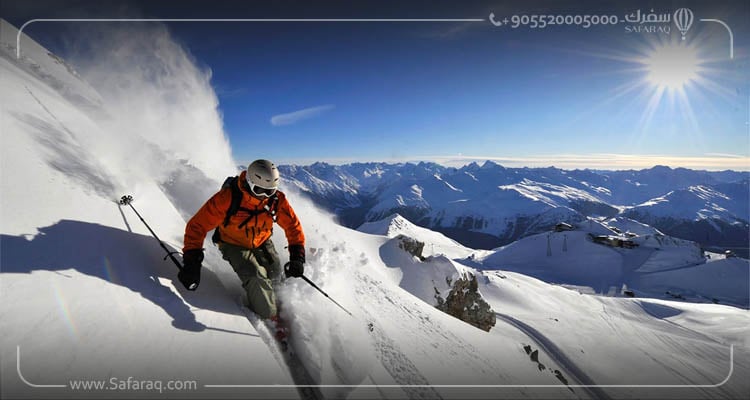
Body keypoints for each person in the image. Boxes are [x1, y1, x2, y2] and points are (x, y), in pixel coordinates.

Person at [179, 159, 306, 320]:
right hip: (233, 244)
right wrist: (191, 261)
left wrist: (297, 257)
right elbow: (197, 226)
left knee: (275, 274)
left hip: (262, 240)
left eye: (270, 191)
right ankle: (268, 315)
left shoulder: (276, 200)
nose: (264, 196)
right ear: (249, 182)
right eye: (260, 190)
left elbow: (293, 227)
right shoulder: (227, 199)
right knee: (256, 276)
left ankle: (273, 302)